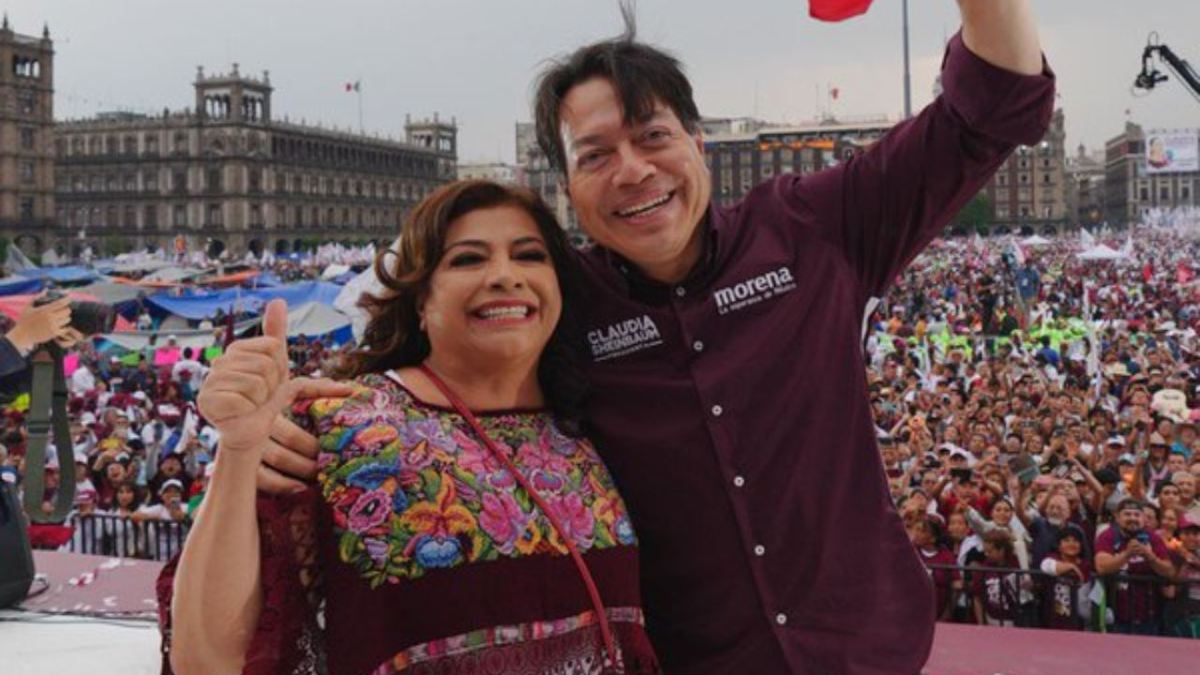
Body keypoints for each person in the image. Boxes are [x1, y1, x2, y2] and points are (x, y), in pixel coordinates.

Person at [258, 3, 1054, 671]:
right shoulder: (559, 298)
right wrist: (289, 429)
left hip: (871, 655)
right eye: (595, 155)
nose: (632, 171)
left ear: (697, 141)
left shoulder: (814, 228)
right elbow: (438, 369)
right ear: (566, 188)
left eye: (653, 136)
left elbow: (996, 100)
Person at [166, 181, 660, 674]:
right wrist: (237, 450)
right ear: (419, 299)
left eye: (529, 255)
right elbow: (209, 659)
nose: (505, 276)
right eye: (467, 260)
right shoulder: (342, 425)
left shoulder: (596, 427)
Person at [1094, 498, 1175, 635]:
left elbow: (1169, 571)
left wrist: (1150, 556)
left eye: (1136, 515)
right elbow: (1101, 566)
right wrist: (1127, 554)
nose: (1133, 518)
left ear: (1143, 518)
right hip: (1117, 616)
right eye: (1127, 514)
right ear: (1117, 517)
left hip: (1149, 616)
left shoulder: (1152, 538)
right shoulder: (1108, 536)